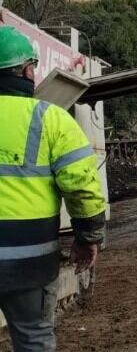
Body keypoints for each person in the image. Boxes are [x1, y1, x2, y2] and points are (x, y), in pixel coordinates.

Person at [0, 26, 105, 352]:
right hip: (28, 264)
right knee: (33, 339)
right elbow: (83, 189)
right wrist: (88, 238)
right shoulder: (51, 120)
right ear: (27, 70)